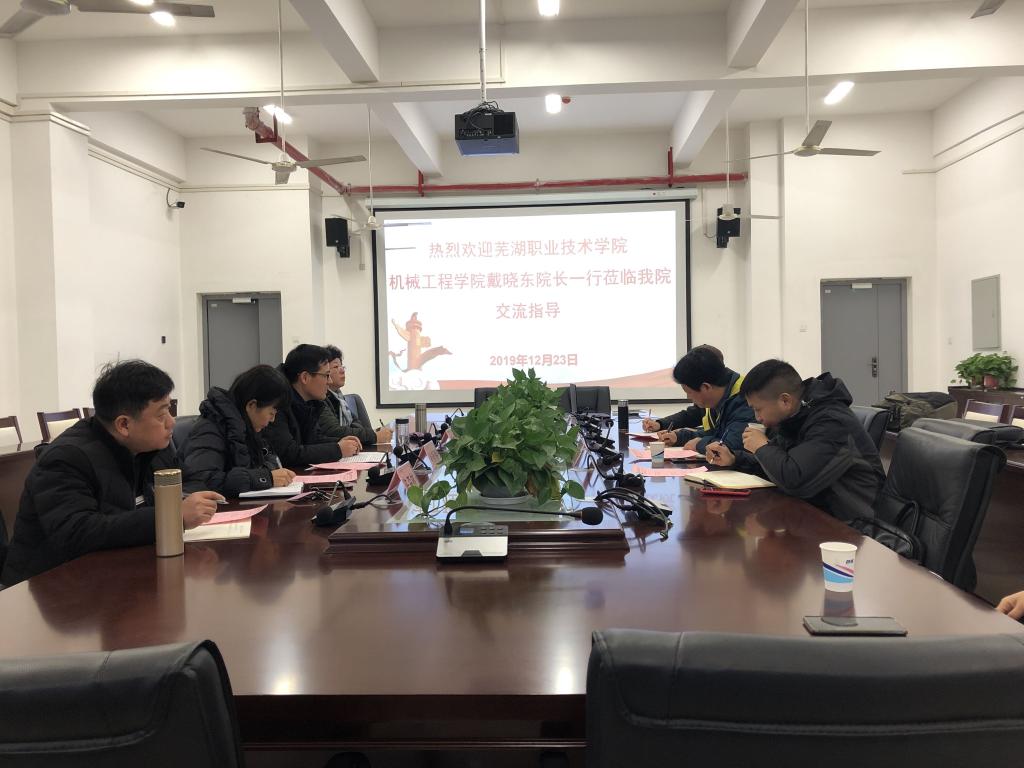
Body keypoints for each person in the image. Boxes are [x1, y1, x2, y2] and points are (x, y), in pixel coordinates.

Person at [1, 360, 223, 587]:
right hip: (48, 591)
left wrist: (190, 506)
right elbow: (77, 533)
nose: (171, 422)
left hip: (117, 575)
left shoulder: (153, 447)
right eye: (161, 414)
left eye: (170, 410)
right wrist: (172, 517)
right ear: (124, 425)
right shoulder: (66, 459)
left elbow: (192, 481)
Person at [706, 359, 885, 523]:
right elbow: (780, 463)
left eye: (758, 409)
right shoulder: (796, 415)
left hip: (855, 524)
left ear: (785, 401)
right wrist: (735, 459)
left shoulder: (831, 421)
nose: (757, 417)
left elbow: (796, 480)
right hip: (816, 510)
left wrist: (762, 447)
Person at [181, 365, 298, 497]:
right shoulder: (210, 429)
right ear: (251, 405)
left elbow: (270, 460)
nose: (272, 419)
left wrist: (268, 473)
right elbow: (201, 481)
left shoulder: (251, 427)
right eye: (271, 412)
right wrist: (264, 477)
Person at [262, 344, 362, 467]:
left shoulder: (310, 402)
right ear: (305, 377)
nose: (329, 381)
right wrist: (338, 449)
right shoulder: (276, 402)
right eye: (326, 375)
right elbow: (288, 454)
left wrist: (340, 442)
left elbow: (313, 439)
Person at [655, 346, 754, 453]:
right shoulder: (717, 397)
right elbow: (715, 433)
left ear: (706, 387)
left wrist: (699, 444)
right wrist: (679, 437)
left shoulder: (744, 398)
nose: (688, 397)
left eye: (689, 392)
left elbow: (732, 445)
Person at [318, 345, 392, 448]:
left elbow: (356, 423)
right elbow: (335, 431)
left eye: (342, 366)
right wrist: (374, 436)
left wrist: (366, 434)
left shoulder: (339, 398)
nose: (342, 370)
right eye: (336, 367)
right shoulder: (320, 399)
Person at [642, 345, 724, 434]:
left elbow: (722, 435)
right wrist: (660, 424)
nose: (688, 396)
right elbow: (690, 416)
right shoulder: (707, 397)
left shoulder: (731, 399)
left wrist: (684, 435)